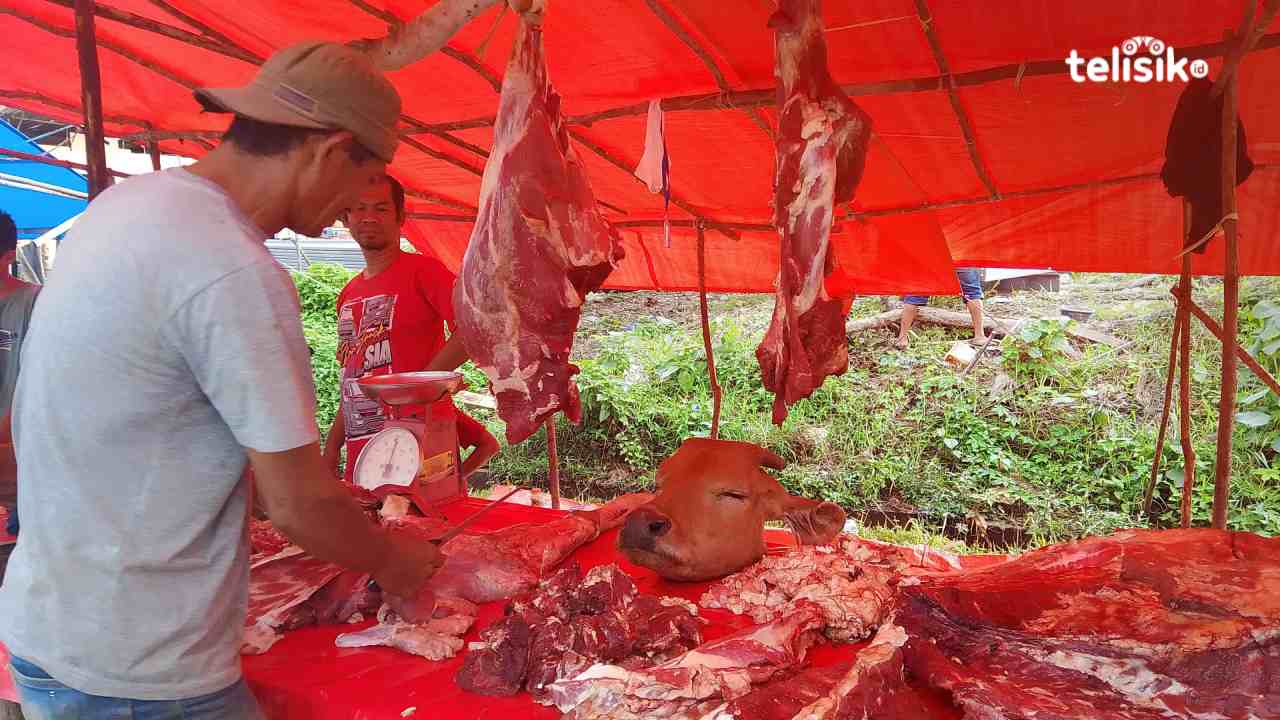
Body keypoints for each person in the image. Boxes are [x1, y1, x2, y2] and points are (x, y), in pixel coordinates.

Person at [0, 42, 441, 719]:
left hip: (51, 629)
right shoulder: (231, 268)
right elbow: (298, 507)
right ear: (331, 151)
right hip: (140, 673)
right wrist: (396, 561)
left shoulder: (130, 207)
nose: (359, 206)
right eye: (368, 178)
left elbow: (150, 424)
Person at [323, 174, 499, 485]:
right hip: (362, 449)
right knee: (369, 529)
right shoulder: (347, 295)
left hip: (419, 440)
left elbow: (473, 331)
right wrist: (332, 445)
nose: (368, 218)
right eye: (359, 209)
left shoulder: (425, 272)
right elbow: (352, 378)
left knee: (421, 527)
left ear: (401, 217)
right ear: (346, 218)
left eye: (381, 209)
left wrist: (417, 390)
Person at [0, 210, 38, 544]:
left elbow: (39, 379)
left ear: (9, 257)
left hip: (22, 449)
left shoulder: (35, 302)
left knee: (25, 533)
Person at [895, 267, 988, 350]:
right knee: (972, 294)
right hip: (959, 255)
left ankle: (902, 339)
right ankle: (979, 336)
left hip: (930, 256)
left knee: (914, 295)